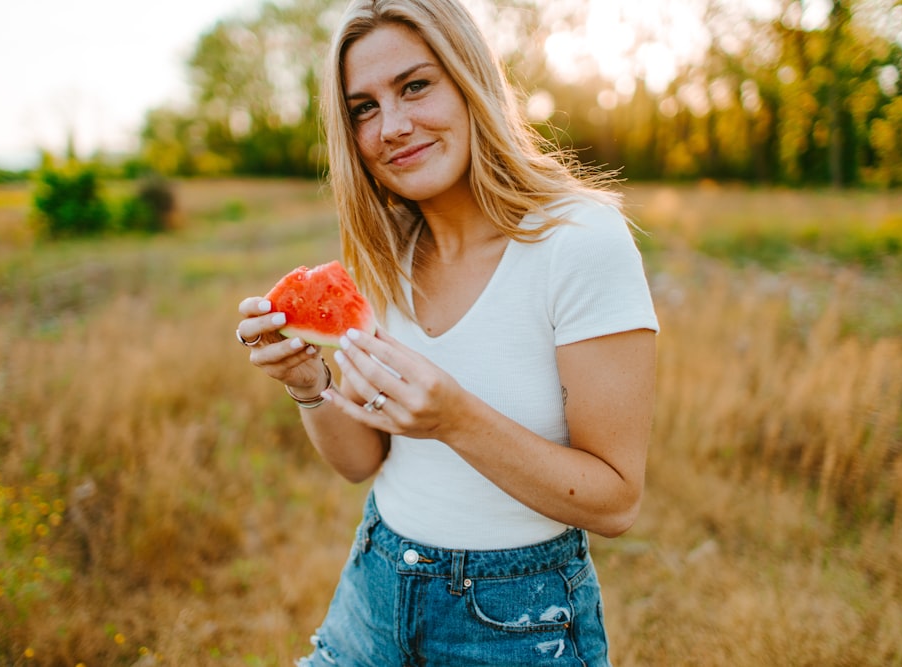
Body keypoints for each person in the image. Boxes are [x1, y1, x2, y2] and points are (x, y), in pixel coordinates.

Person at [235, 0, 659, 664]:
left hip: (517, 619)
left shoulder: (580, 240)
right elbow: (361, 463)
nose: (393, 126)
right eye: (363, 108)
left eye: (414, 85)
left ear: (469, 80)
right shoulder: (387, 254)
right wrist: (307, 380)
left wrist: (455, 418)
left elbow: (615, 501)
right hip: (373, 590)